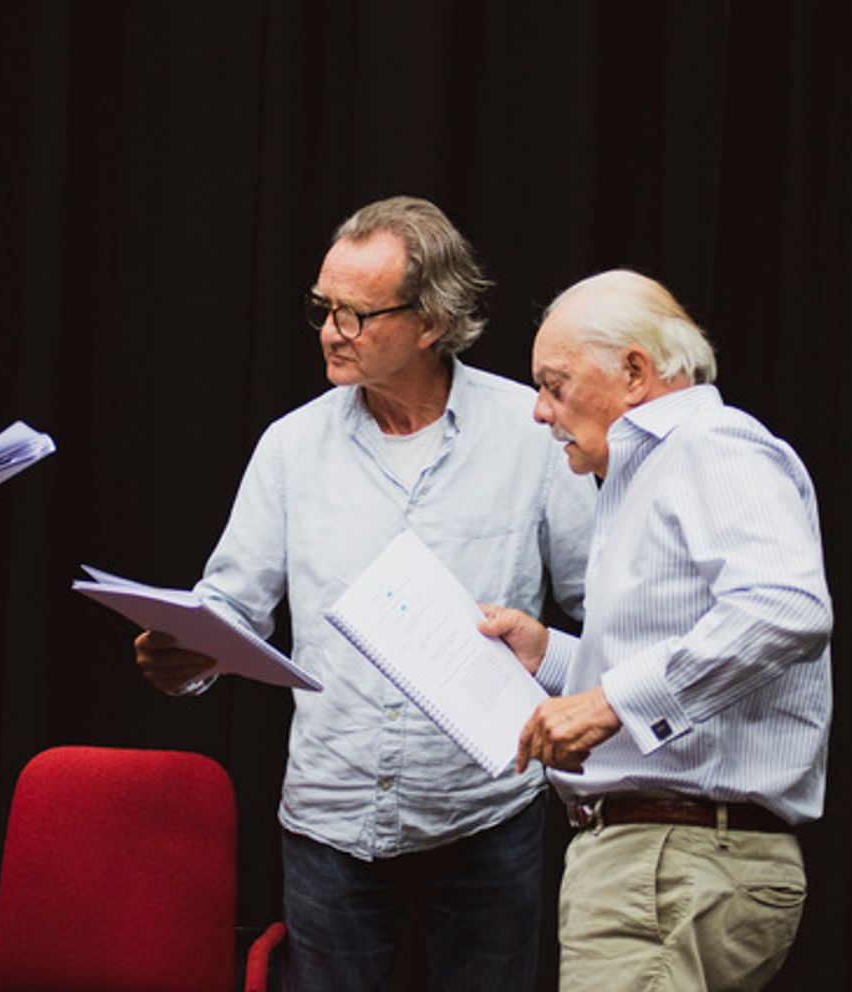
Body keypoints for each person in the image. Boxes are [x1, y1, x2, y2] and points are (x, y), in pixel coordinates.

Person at [134, 196, 596, 990]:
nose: (330, 332)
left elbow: (603, 606)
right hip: (332, 814)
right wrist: (191, 654)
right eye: (323, 309)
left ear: (432, 321)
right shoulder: (291, 445)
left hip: (484, 813)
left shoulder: (529, 435)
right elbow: (234, 604)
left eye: (355, 315)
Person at [480, 269, 833, 991]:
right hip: (665, 861)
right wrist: (550, 658)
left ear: (635, 372)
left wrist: (607, 703)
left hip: (673, 862)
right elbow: (678, 660)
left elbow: (785, 606)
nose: (540, 412)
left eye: (555, 383)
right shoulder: (649, 475)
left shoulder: (711, 445)